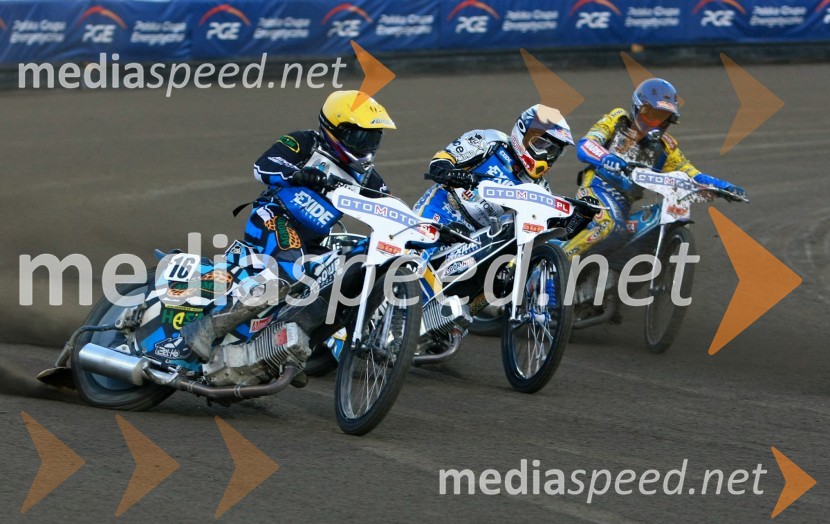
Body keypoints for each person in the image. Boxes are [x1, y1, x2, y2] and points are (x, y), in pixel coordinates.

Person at [181, 90, 396, 361]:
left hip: (314, 242)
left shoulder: (367, 178)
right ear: (335, 128)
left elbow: (391, 208)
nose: (366, 145)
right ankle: (206, 329)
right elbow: (264, 166)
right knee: (290, 272)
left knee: (345, 275)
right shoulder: (304, 142)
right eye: (360, 136)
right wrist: (298, 174)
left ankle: (289, 348)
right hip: (275, 217)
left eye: (373, 138)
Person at [560, 78, 747, 258]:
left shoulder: (666, 148)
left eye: (662, 118)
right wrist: (605, 157)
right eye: (650, 114)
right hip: (595, 190)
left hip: (624, 204)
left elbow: (692, 174)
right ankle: (560, 261)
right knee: (609, 225)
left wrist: (723, 187)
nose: (656, 123)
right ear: (637, 108)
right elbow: (586, 145)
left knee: (646, 228)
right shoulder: (617, 120)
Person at [414, 104, 574, 231]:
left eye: (553, 151)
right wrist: (452, 174)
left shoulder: (539, 187)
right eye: (542, 145)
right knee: (414, 256)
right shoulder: (490, 141)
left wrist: (574, 220)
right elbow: (439, 163)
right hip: (442, 208)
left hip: (476, 236)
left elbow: (546, 227)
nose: (546, 155)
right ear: (524, 132)